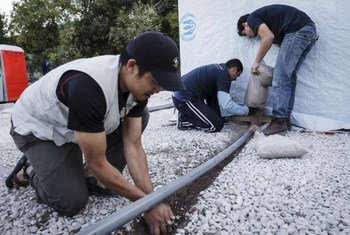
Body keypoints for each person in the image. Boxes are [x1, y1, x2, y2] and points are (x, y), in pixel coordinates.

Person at [9, 31, 184, 235]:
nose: (157, 89)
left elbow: (133, 145)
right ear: (132, 66)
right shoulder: (88, 87)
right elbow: (97, 162)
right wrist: (146, 205)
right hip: (39, 128)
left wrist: (152, 198)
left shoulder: (137, 89)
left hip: (76, 126)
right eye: (155, 81)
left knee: (141, 115)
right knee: (71, 202)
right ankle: (30, 170)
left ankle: (90, 178)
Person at [237, 4, 318, 135]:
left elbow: (267, 38)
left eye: (245, 33)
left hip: (298, 30)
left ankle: (278, 121)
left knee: (279, 78)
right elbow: (279, 44)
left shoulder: (252, 18)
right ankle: (285, 119)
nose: (248, 36)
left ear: (245, 25)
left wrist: (257, 62)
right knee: (288, 76)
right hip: (308, 31)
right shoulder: (273, 26)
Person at [172, 59, 249, 132]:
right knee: (216, 126)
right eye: (237, 75)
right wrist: (245, 110)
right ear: (234, 70)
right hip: (184, 98)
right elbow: (226, 105)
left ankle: (214, 117)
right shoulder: (225, 76)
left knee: (213, 93)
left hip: (184, 92)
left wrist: (217, 116)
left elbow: (212, 95)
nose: (235, 79)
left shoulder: (220, 69)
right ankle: (184, 120)